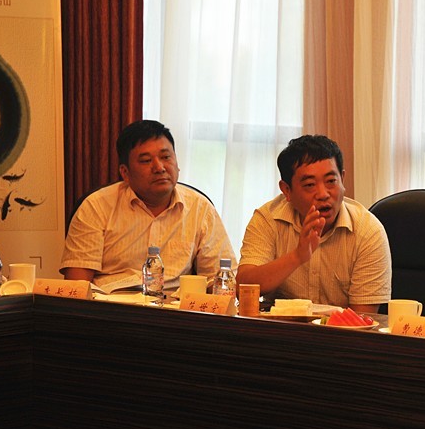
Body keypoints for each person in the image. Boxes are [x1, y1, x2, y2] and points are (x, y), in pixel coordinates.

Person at [61, 119, 236, 291]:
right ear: (125, 172)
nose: (159, 167)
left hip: (174, 306)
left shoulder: (200, 208)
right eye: (146, 160)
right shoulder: (95, 207)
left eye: (166, 157)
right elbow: (77, 287)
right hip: (112, 305)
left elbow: (220, 280)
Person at [237, 135, 391, 313]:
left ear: (342, 179)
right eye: (310, 185)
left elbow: (362, 319)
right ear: (287, 190)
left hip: (340, 330)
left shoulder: (368, 231)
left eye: (331, 181)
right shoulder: (268, 219)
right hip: (280, 327)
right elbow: (243, 289)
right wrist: (297, 256)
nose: (323, 194)